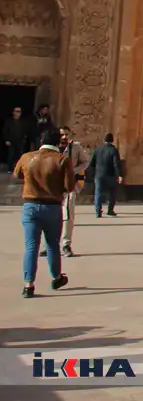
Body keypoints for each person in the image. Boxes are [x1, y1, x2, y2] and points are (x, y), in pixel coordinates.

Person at [14, 127, 74, 297]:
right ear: (58, 142)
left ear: (41, 141)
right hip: (52, 207)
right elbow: (69, 186)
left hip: (30, 205)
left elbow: (17, 174)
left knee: (31, 246)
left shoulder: (27, 157)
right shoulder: (62, 160)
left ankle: (28, 284)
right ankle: (56, 277)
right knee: (52, 244)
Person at [56, 127, 88, 259]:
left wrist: (74, 171)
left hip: (69, 186)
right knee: (52, 216)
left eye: (66, 134)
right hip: (53, 186)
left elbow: (85, 161)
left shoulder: (75, 147)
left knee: (68, 216)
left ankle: (66, 244)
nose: (64, 137)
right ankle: (50, 244)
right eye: (62, 134)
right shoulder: (52, 147)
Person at [90, 134, 123, 218]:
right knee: (113, 193)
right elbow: (116, 164)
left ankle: (98, 212)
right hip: (111, 175)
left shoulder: (98, 149)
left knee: (98, 193)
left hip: (99, 175)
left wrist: (95, 172)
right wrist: (119, 175)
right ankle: (110, 210)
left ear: (104, 140)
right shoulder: (114, 150)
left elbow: (92, 163)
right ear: (112, 140)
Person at [3, 105, 32, 171]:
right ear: (13, 112)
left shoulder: (23, 121)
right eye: (17, 111)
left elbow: (26, 130)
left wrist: (24, 137)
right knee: (11, 155)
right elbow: (5, 131)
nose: (18, 113)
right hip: (11, 141)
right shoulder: (9, 121)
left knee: (20, 156)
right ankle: (10, 169)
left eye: (19, 111)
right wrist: (7, 139)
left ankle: (19, 169)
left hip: (20, 141)